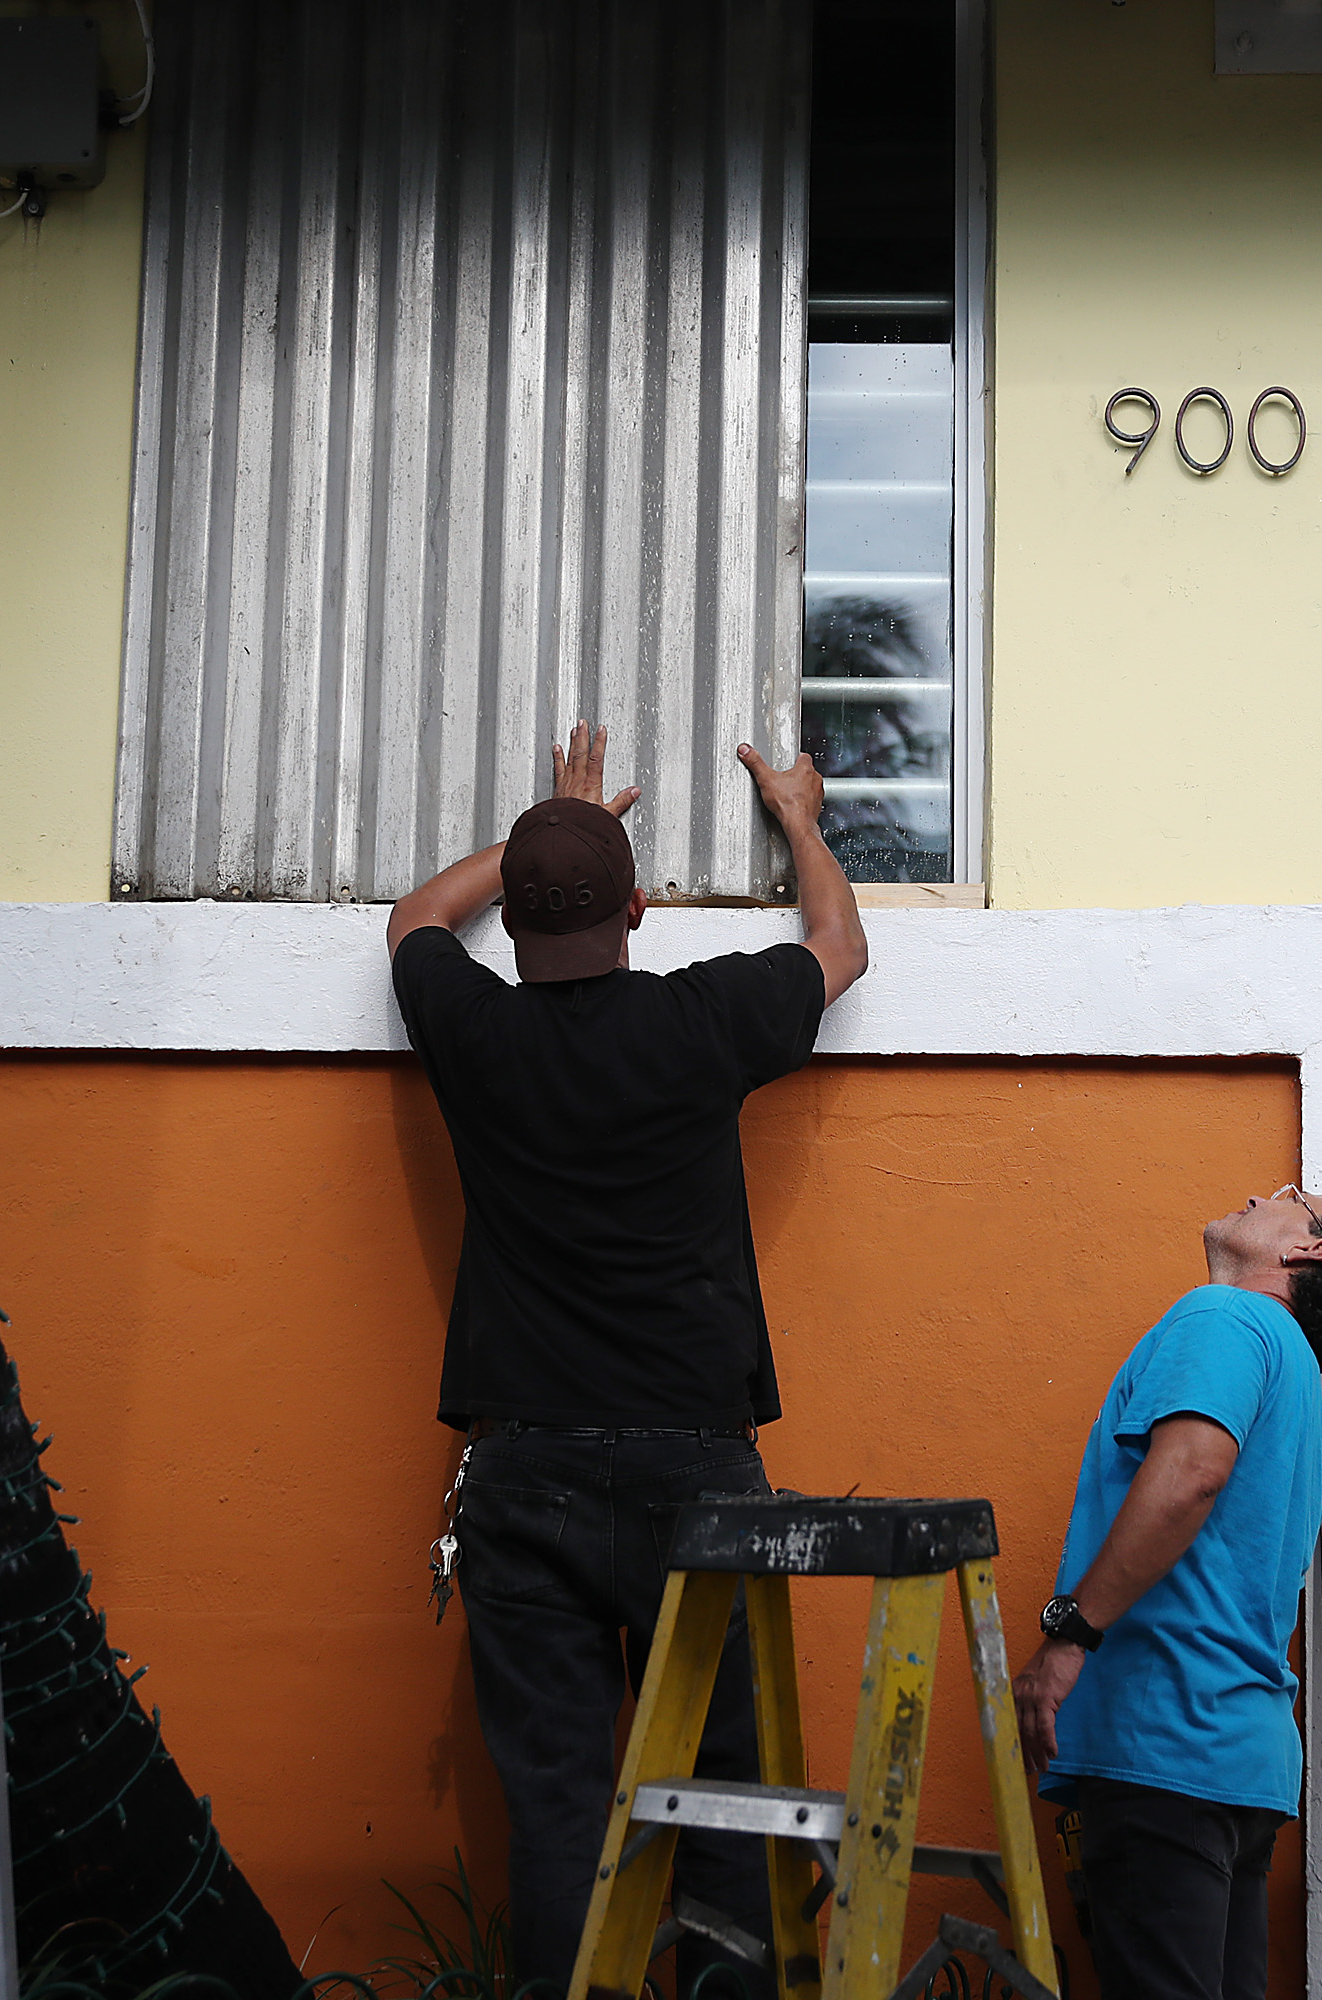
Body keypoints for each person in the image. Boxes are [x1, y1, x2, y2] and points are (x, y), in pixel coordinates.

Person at [388, 722, 869, 1997]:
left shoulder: (473, 1030)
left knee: (554, 1814)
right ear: (641, 908)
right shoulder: (700, 1017)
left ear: (527, 920)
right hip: (692, 1474)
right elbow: (840, 948)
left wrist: (547, 831)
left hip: (523, 1466)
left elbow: (413, 919)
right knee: (720, 1802)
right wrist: (801, 820)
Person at [1011, 1184, 1322, 2000]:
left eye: (1292, 1198)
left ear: (1310, 1249)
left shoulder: (1227, 1318)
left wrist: (1068, 1634)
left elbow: (1192, 1475)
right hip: (1237, 1760)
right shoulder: (1293, 1372)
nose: (1261, 1194)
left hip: (1165, 1745)